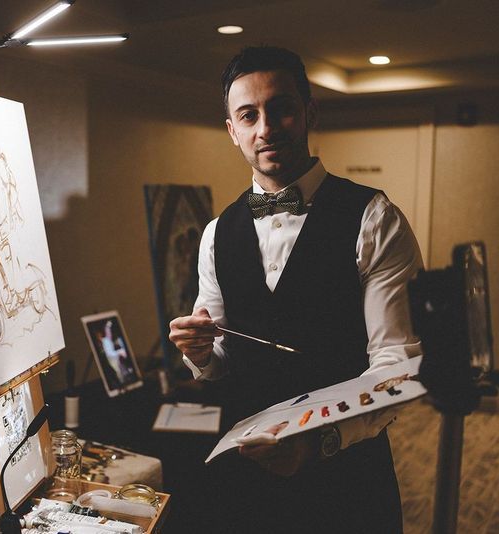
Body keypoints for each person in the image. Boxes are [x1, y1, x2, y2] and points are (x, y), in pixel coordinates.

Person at [168, 46, 422, 533]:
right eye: (248, 115)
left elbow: (398, 366)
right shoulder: (215, 233)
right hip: (246, 471)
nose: (266, 128)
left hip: (347, 474)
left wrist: (319, 442)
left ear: (308, 113)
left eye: (281, 108)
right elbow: (217, 361)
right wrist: (200, 351)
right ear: (232, 131)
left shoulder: (374, 217)